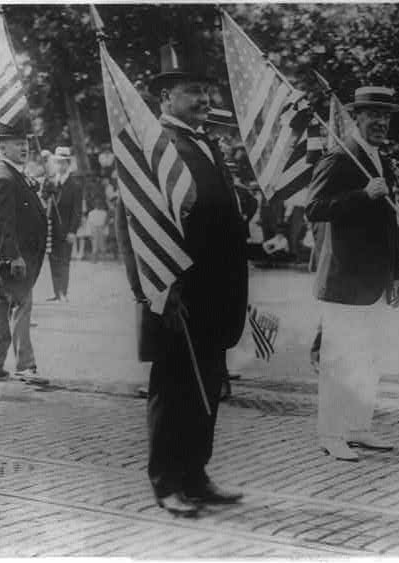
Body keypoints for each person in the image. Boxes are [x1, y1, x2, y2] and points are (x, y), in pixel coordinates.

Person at [115, 41, 248, 513]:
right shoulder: (153, 147)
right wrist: (154, 292)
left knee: (206, 387)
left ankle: (196, 473)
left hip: (215, 294)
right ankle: (168, 481)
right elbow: (131, 228)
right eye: (194, 91)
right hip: (174, 293)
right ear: (166, 98)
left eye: (207, 91)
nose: (204, 100)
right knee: (173, 390)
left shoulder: (207, 145)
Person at [305, 86, 399, 461]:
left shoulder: (383, 160)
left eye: (386, 116)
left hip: (376, 280)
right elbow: (313, 208)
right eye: (373, 115)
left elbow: (389, 224)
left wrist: (396, 274)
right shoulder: (340, 156)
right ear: (357, 118)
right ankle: (331, 433)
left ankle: (359, 426)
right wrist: (363, 194)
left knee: (368, 358)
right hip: (344, 279)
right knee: (338, 360)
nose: (381, 122)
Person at [0, 122, 48, 386]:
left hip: (6, 255)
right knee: (22, 305)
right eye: (17, 143)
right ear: (1, 147)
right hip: (9, 257)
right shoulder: (3, 176)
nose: (24, 147)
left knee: (1, 309)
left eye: (25, 142)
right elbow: (0, 223)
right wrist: (13, 257)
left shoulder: (13, 174)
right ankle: (26, 366)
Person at [41, 147, 82, 302]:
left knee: (64, 259)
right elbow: (44, 198)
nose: (60, 165)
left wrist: (73, 230)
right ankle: (56, 292)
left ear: (68, 163)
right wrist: (47, 189)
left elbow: (77, 210)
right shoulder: (51, 180)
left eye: (63, 162)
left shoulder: (75, 184)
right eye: (57, 162)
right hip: (52, 227)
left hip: (66, 228)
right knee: (53, 259)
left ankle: (63, 291)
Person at [87, 196, 108, 262]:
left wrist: (106, 232)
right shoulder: (91, 213)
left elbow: (105, 224)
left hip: (101, 229)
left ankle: (103, 259)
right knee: (94, 245)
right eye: (96, 203)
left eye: (99, 203)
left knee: (102, 245)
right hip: (94, 229)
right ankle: (94, 259)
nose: (98, 205)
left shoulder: (104, 213)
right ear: (94, 204)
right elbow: (89, 224)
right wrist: (89, 233)